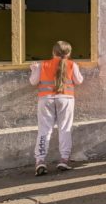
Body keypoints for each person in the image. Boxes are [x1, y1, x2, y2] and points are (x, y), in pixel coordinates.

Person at [30, 41, 84, 176]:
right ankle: (64, 160)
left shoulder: (42, 65)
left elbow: (33, 82)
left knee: (44, 130)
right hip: (66, 99)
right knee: (65, 129)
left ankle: (40, 161)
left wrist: (34, 69)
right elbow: (79, 81)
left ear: (53, 52)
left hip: (45, 99)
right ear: (69, 53)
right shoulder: (72, 65)